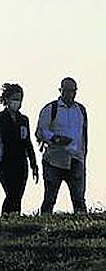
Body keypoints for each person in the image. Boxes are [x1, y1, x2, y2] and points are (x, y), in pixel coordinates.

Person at [35, 77, 89, 214]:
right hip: (54, 160)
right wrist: (56, 139)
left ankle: (82, 229)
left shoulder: (80, 110)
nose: (71, 94)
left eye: (73, 91)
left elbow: (84, 134)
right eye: (68, 91)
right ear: (61, 90)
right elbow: (40, 131)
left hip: (76, 159)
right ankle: (44, 225)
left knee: (79, 200)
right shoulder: (51, 109)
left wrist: (83, 155)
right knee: (50, 198)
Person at [0, 82, 38, 215]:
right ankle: (5, 218)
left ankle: (15, 219)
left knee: (18, 195)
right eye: (15, 99)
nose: (18, 102)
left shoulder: (23, 119)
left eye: (20, 99)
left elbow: (28, 143)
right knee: (11, 193)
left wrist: (34, 165)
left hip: (21, 163)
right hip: (4, 163)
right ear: (7, 99)